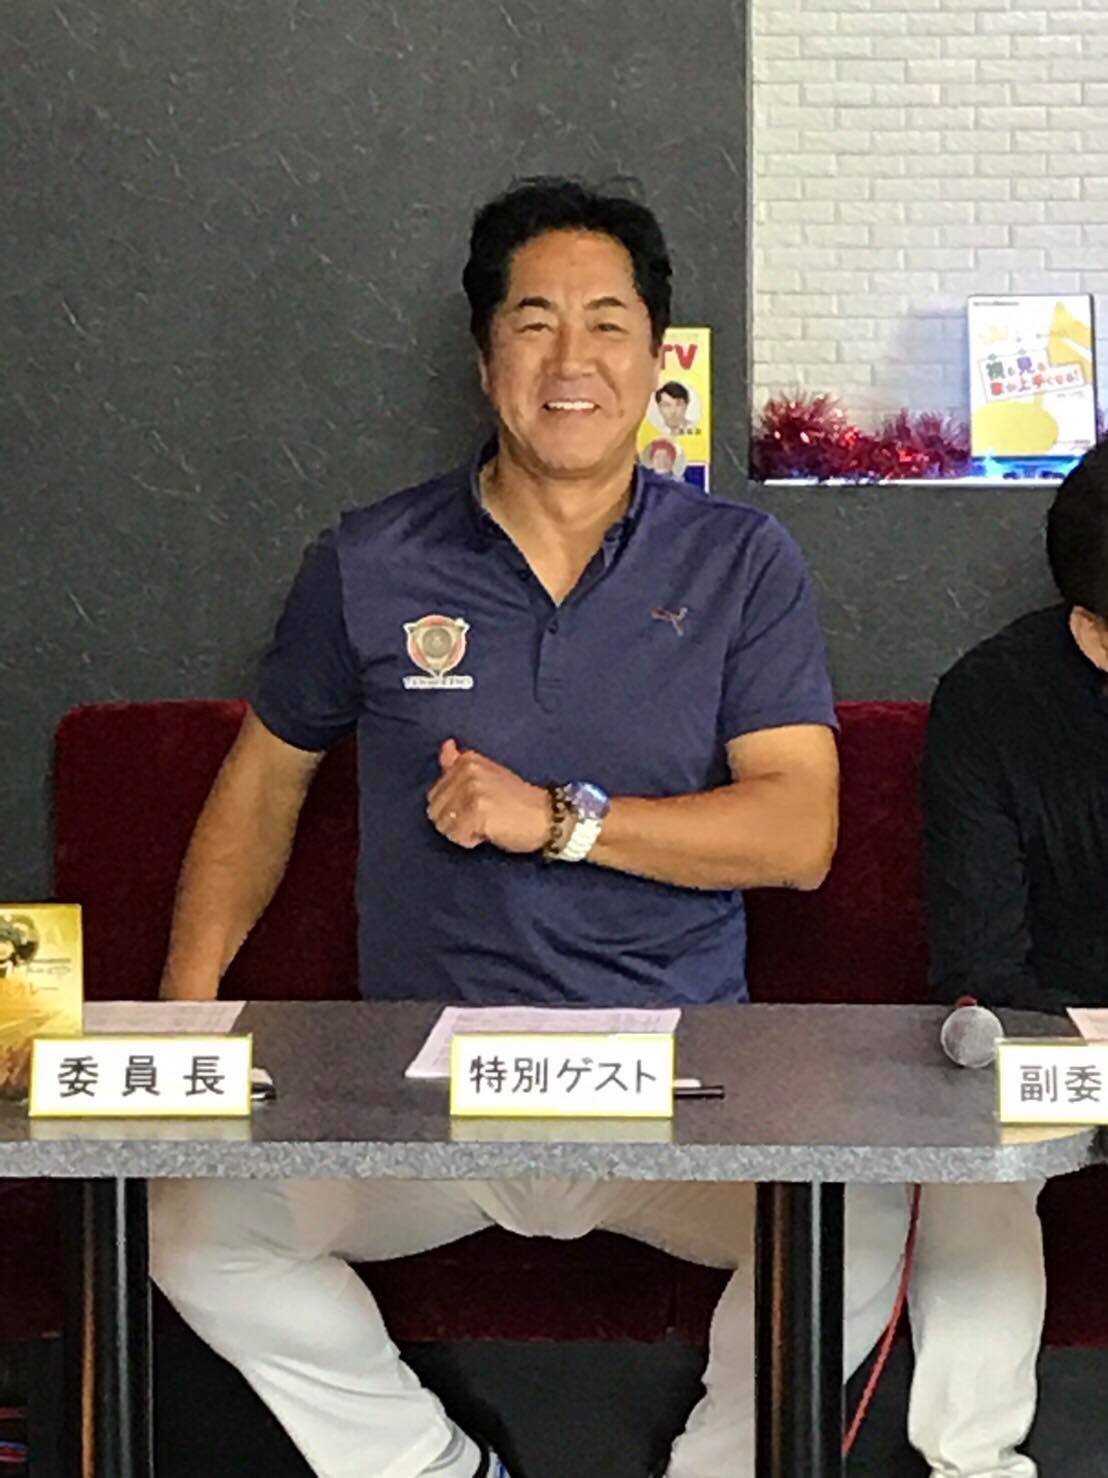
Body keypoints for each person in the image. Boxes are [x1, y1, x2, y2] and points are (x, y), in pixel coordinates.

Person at [150, 176, 908, 1478]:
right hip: (425, 1093)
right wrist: (181, 1022)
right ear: (483, 354)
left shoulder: (741, 561)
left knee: (872, 1213)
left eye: (607, 324)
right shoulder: (370, 560)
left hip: (680, 1087)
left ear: (658, 358)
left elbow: (798, 832)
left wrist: (559, 821)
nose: (572, 361)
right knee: (189, 1229)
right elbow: (263, 784)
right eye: (535, 322)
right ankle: (435, 1467)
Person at [918, 438, 1108, 1478]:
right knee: (970, 1153)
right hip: (1057, 1032)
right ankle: (970, 1462)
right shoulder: (993, 700)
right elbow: (979, 955)